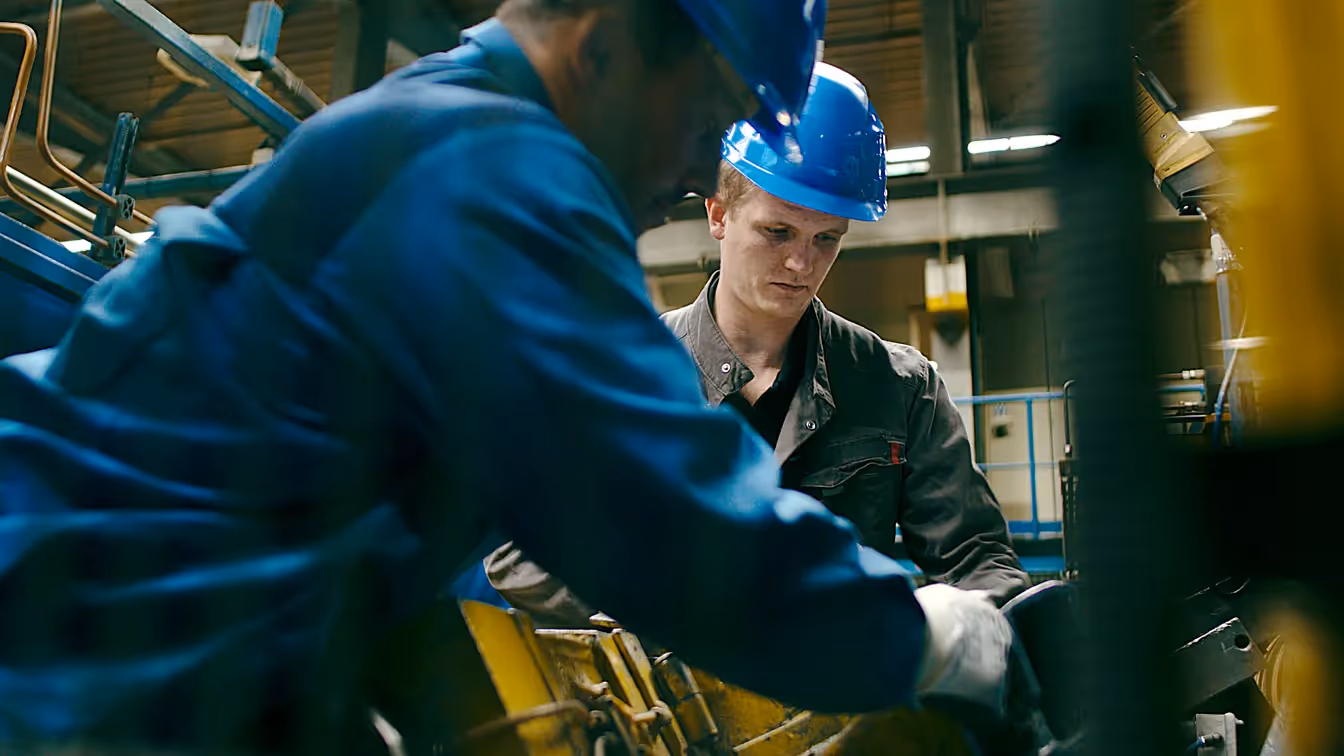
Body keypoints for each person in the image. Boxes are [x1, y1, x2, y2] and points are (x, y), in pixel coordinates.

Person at [0, 1, 1016, 753]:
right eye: (706, 116)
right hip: (73, 670)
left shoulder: (442, 127)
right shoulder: (498, 176)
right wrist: (925, 635)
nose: (693, 173)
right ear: (604, 46)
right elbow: (671, 527)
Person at [486, 62, 1030, 627]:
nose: (801, 263)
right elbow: (517, 553)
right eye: (778, 232)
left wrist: (952, 632)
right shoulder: (614, 376)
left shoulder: (900, 389)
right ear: (719, 214)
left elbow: (980, 563)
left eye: (827, 239)